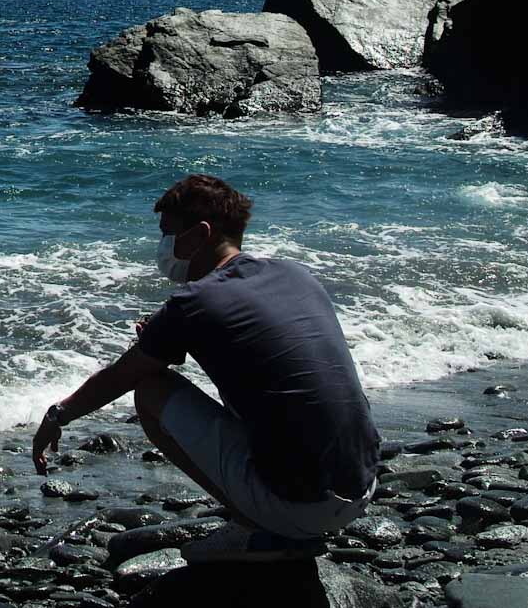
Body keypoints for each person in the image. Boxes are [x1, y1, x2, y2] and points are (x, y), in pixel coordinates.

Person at [30, 174, 380, 562]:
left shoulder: (194, 302)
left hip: (302, 508)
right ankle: (275, 516)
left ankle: (259, 526)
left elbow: (121, 376)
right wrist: (173, 336)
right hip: (363, 485)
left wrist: (59, 414)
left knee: (150, 389)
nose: (162, 246)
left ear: (199, 235)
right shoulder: (294, 274)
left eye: (168, 234)